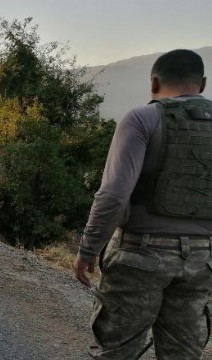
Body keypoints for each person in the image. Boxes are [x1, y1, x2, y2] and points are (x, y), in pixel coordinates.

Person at [73, 49, 212, 359]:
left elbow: (113, 194)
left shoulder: (143, 118)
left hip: (140, 253)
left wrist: (88, 248)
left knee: (117, 351)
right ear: (202, 84)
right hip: (203, 260)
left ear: (154, 83)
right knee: (184, 353)